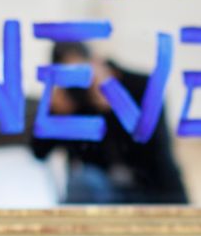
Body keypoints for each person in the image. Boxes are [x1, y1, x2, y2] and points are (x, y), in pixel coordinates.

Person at [30, 41, 189, 204]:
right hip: (101, 192)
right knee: (84, 182)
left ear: (96, 61)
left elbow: (158, 153)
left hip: (148, 192)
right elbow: (39, 152)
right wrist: (53, 113)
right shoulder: (72, 102)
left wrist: (114, 104)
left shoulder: (141, 87)